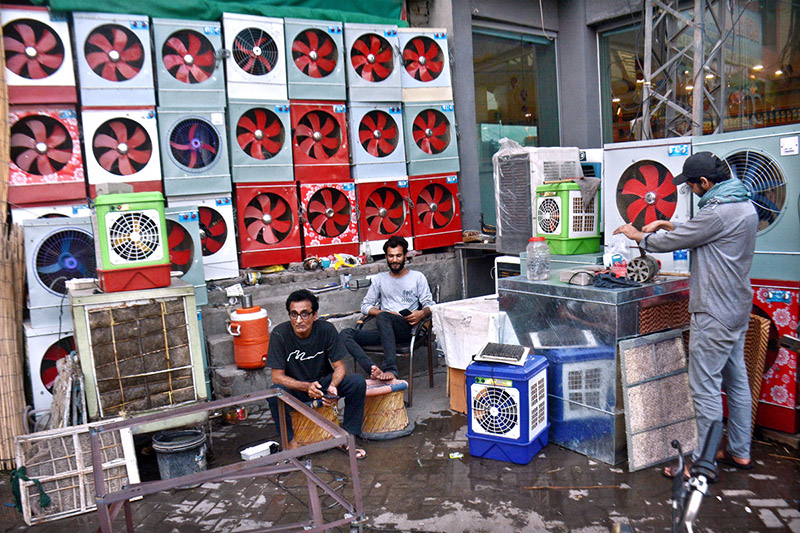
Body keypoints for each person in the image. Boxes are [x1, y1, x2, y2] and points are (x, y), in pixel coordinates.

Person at [614, 151, 758, 478]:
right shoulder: (743, 204)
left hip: (714, 311)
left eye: (691, 185)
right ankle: (739, 451)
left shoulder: (717, 213)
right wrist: (669, 223)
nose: (690, 190)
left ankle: (703, 464)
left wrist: (641, 236)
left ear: (705, 182)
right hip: (736, 307)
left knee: (704, 387)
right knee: (736, 381)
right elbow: (704, 231)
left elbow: (683, 238)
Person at [266, 289, 367, 458]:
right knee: (274, 393)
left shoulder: (326, 329)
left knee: (357, 382)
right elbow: (277, 376)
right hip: (297, 388)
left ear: (315, 315)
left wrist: (332, 386)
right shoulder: (279, 334)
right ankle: (290, 444)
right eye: (294, 314)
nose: (299, 320)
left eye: (305, 314)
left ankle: (348, 437)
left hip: (322, 384)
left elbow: (340, 367)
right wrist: (306, 387)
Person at [342, 235, 435, 381]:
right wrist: (383, 313)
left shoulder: (417, 277)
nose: (395, 260)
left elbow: (431, 305)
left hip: (406, 329)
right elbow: (365, 306)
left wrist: (421, 314)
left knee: (383, 317)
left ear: (405, 256)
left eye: (398, 256)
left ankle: (391, 368)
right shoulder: (380, 279)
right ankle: (372, 369)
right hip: (385, 330)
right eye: (391, 256)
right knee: (345, 334)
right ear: (386, 257)